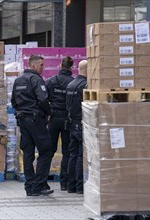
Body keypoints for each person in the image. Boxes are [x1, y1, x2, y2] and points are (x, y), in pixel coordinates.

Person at [11, 55, 53, 196]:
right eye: (41, 65)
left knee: (28, 153)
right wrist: (48, 112)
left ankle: (29, 186)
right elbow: (43, 99)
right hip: (36, 120)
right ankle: (39, 185)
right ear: (33, 66)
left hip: (23, 120)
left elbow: (14, 102)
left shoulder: (18, 81)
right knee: (46, 150)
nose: (43, 67)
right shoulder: (36, 79)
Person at [46, 56, 74, 191]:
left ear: (60, 65)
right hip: (67, 120)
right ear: (72, 67)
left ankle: (42, 180)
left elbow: (43, 98)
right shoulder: (73, 83)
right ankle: (65, 183)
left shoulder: (51, 81)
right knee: (67, 152)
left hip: (53, 118)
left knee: (48, 150)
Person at [65, 59, 87, 194]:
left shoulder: (70, 84)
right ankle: (79, 186)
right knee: (80, 155)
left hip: (72, 123)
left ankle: (70, 185)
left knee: (72, 155)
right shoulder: (84, 85)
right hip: (80, 122)